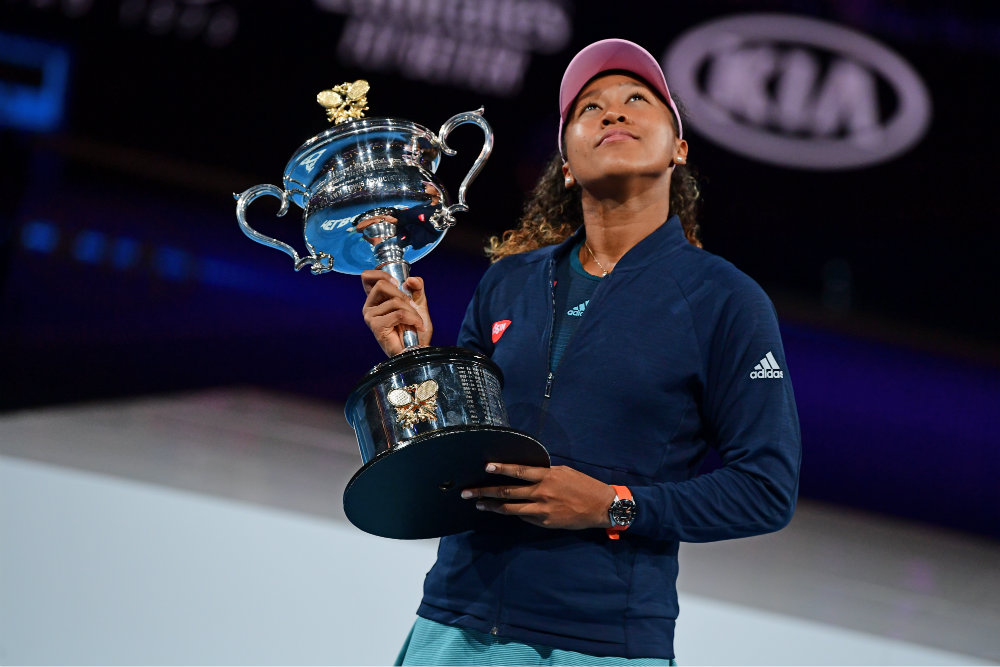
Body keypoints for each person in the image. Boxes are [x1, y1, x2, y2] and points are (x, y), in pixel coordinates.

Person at [361, 38, 801, 666]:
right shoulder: (508, 282)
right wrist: (417, 362)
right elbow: (450, 465)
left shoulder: (726, 301)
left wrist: (613, 507)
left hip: (602, 646)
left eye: (636, 100)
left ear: (679, 149)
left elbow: (766, 488)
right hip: (455, 629)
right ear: (566, 162)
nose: (612, 112)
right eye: (589, 108)